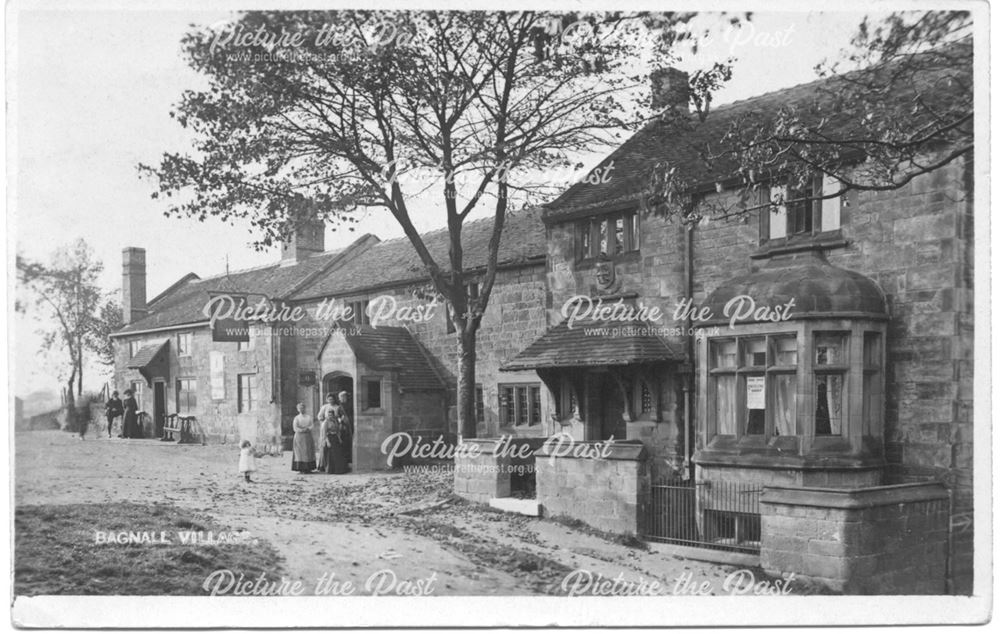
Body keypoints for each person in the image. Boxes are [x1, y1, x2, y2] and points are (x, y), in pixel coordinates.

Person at [291, 403, 316, 473]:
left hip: (307, 436)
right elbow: (295, 427)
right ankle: (300, 468)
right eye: (300, 408)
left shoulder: (309, 417)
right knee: (300, 452)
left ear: (305, 408)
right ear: (298, 409)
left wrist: (308, 429)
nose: (302, 409)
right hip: (299, 436)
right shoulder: (296, 418)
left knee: (308, 451)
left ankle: (308, 468)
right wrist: (301, 430)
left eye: (303, 408)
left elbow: (312, 425)